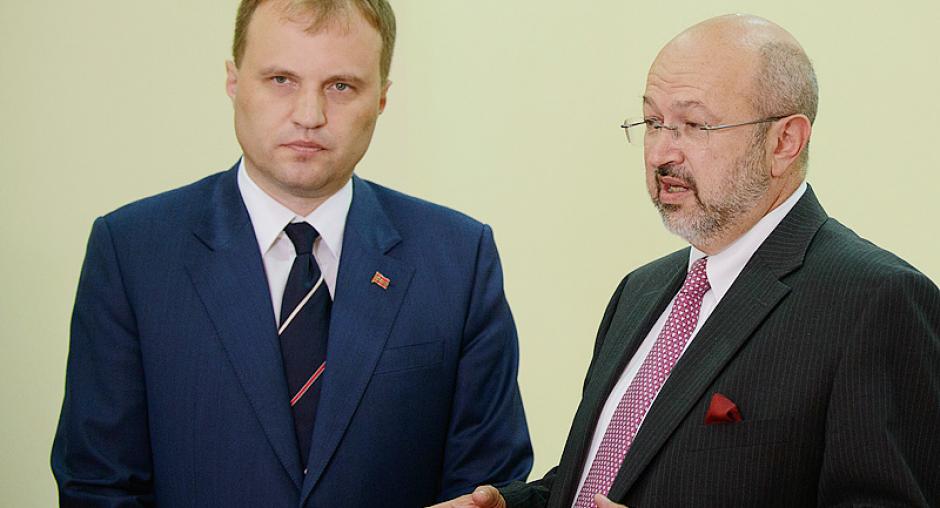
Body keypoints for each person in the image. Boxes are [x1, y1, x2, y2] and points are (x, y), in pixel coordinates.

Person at [435, 14, 940, 508]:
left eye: (695, 125)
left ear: (784, 141)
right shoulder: (641, 290)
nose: (661, 154)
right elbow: (607, 480)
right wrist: (514, 504)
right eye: (654, 122)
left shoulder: (877, 301)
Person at [51, 0, 532, 506]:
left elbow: (488, 487)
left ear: (382, 98)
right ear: (234, 81)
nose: (309, 115)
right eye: (281, 79)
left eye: (340, 86)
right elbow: (98, 485)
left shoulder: (458, 259)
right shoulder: (133, 253)